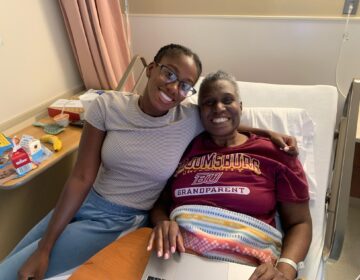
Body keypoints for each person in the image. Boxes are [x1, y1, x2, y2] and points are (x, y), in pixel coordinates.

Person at [0, 44, 297, 280]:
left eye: (185, 85)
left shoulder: (189, 118)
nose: (173, 88)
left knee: (12, 273)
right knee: (17, 258)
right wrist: (46, 245)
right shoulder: (107, 106)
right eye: (169, 74)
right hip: (86, 200)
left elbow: (224, 120)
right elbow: (81, 177)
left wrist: (267, 133)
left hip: (121, 219)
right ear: (151, 68)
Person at [147, 71, 312, 280]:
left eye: (227, 100)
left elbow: (300, 223)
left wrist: (285, 270)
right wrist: (163, 222)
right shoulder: (185, 146)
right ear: (199, 112)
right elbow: (160, 205)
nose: (218, 108)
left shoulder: (275, 153)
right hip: (178, 261)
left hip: (246, 269)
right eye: (209, 102)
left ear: (240, 107)